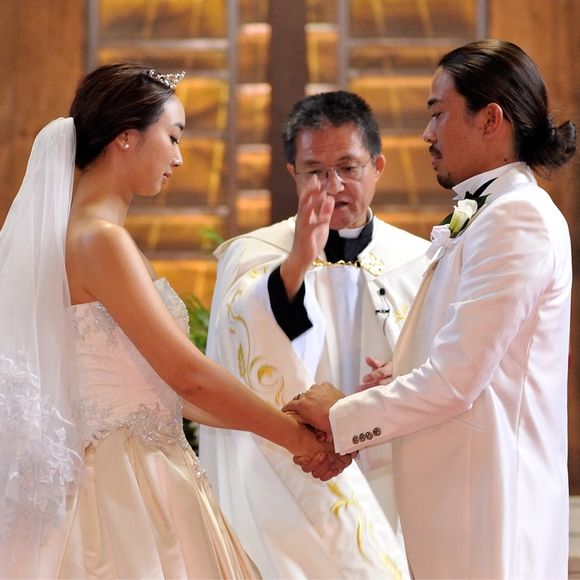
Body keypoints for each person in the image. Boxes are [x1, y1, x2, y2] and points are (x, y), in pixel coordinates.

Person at [0, 63, 350, 579]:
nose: (180, 158)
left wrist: (288, 425)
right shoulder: (101, 240)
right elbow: (187, 375)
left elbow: (172, 394)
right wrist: (298, 440)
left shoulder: (91, 238)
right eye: (173, 136)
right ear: (126, 137)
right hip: (126, 483)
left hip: (148, 464)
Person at [284, 39, 576, 579]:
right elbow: (468, 356)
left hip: (492, 504)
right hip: (460, 499)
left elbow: (457, 378)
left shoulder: (517, 218)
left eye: (438, 113)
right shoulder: (490, 212)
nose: (427, 134)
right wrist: (395, 375)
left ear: (491, 119)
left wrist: (341, 418)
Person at [199, 91, 429, 578]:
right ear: (293, 174)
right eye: (315, 171)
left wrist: (401, 372)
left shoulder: (419, 260)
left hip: (394, 470)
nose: (333, 186)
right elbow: (249, 338)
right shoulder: (255, 254)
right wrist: (299, 261)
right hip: (294, 478)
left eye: (348, 167)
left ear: (377, 166)